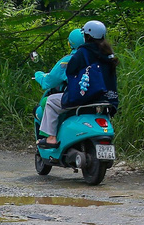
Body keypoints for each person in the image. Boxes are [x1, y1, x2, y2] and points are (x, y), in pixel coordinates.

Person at [37, 20, 118, 148]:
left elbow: (69, 71)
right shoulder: (108, 54)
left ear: (87, 36)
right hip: (106, 98)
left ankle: (51, 138)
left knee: (51, 102)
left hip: (85, 97)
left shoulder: (83, 52)